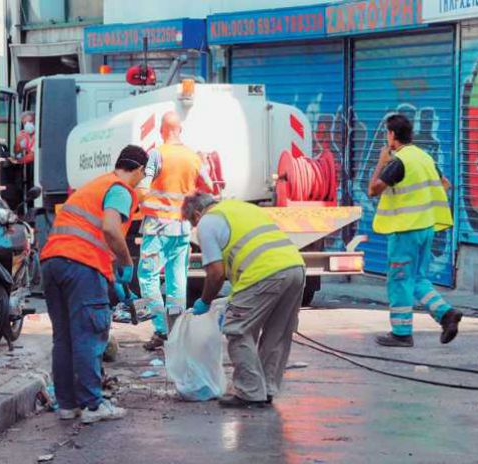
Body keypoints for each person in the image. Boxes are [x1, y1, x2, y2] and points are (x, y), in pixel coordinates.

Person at [40, 145, 148, 423]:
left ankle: (68, 405)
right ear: (138, 170)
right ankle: (92, 405)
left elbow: (88, 235)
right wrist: (126, 263)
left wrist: (112, 276)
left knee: (63, 338)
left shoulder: (94, 186)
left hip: (52, 263)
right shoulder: (120, 189)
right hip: (81, 266)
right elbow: (111, 229)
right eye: (143, 174)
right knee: (89, 334)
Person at [182, 193, 306, 408]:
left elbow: (215, 273)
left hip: (263, 273)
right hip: (295, 267)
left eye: (192, 223)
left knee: (237, 329)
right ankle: (266, 390)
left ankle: (249, 392)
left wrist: (205, 300)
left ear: (197, 213)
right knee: (277, 333)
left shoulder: (207, 223)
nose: (195, 228)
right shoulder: (242, 208)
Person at [368, 114, 461, 347]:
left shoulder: (399, 161)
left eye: (386, 134)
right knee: (417, 278)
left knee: (399, 280)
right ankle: (446, 314)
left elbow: (373, 189)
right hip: (426, 227)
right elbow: (446, 185)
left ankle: (401, 333)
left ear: (392, 135)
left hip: (405, 230)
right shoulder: (424, 157)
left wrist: (381, 161)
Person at [138, 111, 212, 351]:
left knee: (147, 277)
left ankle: (161, 329)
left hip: (158, 226)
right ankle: (177, 328)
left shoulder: (156, 154)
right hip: (182, 229)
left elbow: (143, 186)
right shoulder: (193, 157)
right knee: (177, 279)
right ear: (180, 130)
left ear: (162, 129)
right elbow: (208, 187)